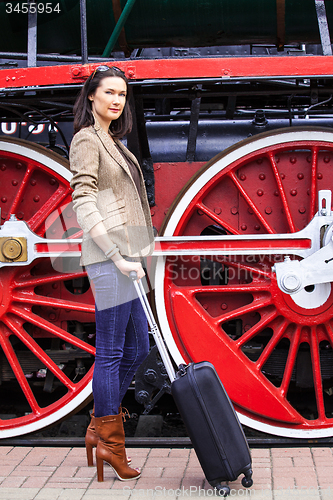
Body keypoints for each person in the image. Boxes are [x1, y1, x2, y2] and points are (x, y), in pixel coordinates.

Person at [69, 65, 154, 482]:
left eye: (122, 94)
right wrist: (117, 254)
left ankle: (97, 428)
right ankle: (111, 445)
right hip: (109, 260)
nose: (117, 100)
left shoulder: (114, 142)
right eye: (109, 93)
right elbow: (83, 202)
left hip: (128, 258)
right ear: (92, 98)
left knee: (138, 347)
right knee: (112, 352)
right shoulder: (87, 140)